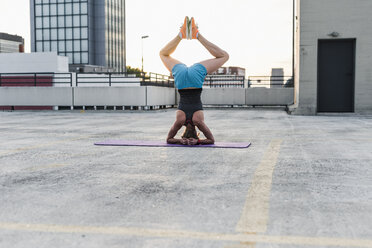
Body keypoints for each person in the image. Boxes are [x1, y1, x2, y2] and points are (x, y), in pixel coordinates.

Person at [160, 16, 229, 145]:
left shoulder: (199, 122)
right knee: (163, 54)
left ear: (196, 132)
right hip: (181, 79)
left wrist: (198, 141)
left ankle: (196, 34)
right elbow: (169, 139)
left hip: (195, 78)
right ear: (184, 131)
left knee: (224, 56)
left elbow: (211, 140)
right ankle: (182, 34)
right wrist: (180, 141)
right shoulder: (180, 121)